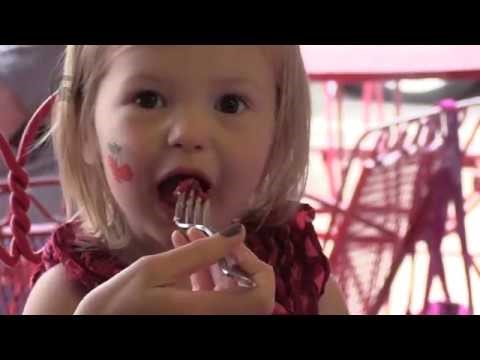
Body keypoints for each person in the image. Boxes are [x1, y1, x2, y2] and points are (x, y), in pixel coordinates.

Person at [23, 45, 348, 315]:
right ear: (86, 131)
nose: (190, 133)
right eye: (148, 99)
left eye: (230, 104)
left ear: (276, 135)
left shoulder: (295, 271)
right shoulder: (64, 298)